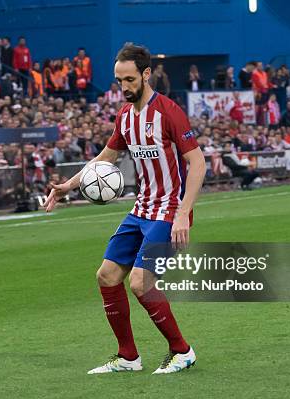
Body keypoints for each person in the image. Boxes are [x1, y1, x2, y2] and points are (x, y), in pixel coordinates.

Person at [44, 43, 206, 375]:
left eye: (130, 79)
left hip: (169, 209)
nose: (124, 87)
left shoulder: (169, 112)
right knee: (106, 276)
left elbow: (198, 162)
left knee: (140, 281)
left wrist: (182, 213)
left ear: (146, 74)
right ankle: (128, 356)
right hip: (142, 209)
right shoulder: (125, 117)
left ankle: (182, 351)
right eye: (119, 81)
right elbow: (105, 158)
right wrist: (67, 188)